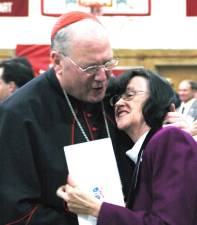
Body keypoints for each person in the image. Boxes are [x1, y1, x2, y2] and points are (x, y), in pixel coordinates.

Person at [0, 11, 133, 225]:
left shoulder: (117, 95)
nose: (102, 77)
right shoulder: (19, 113)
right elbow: (15, 209)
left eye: (108, 63)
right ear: (57, 62)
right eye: (89, 67)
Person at [57, 68, 197, 225]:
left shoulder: (170, 138)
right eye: (117, 98)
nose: (119, 103)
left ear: (159, 101)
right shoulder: (144, 151)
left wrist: (96, 209)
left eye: (129, 95)